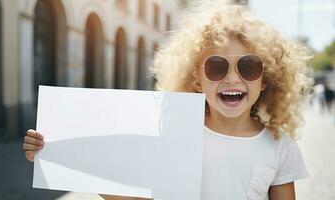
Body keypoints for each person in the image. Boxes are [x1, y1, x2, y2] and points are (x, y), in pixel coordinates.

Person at [23, 0, 313, 199]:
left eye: (248, 66)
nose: (233, 78)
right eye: (216, 66)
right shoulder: (173, 134)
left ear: (266, 79)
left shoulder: (280, 146)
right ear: (196, 78)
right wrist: (54, 152)